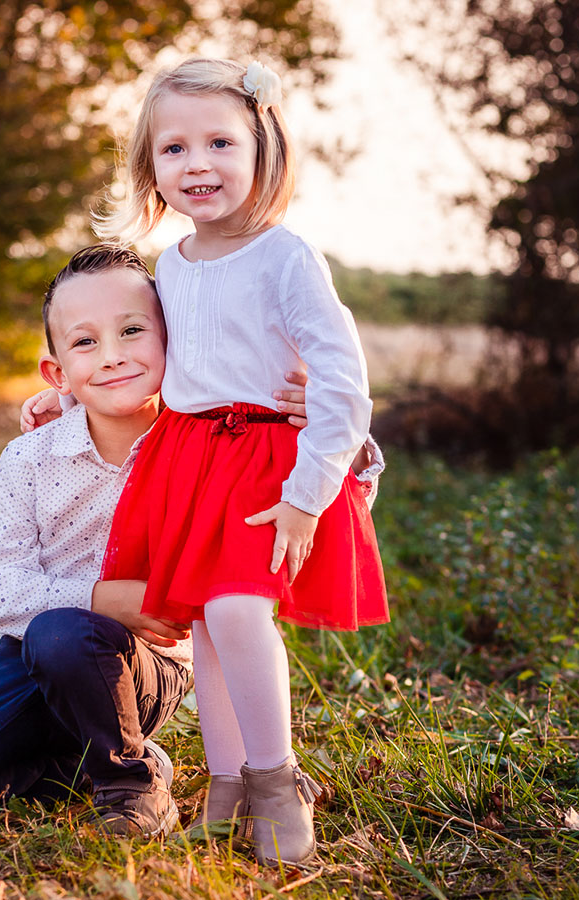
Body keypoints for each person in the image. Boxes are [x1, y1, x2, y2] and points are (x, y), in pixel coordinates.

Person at [0, 244, 321, 838]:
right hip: (40, 654)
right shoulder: (31, 457)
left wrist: (324, 430)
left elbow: (322, 501)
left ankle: (132, 786)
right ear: (57, 371)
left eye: (133, 330)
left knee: (64, 630)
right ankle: (87, 764)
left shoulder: (212, 447)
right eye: (84, 342)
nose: (111, 357)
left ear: (176, 341)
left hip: (146, 666)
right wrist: (107, 598)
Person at [91, 58, 390, 866]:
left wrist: (309, 492)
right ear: (150, 167)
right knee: (209, 629)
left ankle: (278, 781)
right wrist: (69, 398)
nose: (197, 165)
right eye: (173, 149)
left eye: (219, 142)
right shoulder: (175, 264)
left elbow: (341, 378)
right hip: (191, 462)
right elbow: (159, 367)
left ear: (264, 150)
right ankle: (226, 786)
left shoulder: (286, 256)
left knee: (235, 613)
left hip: (268, 463)